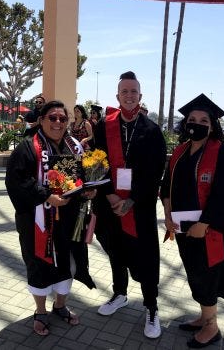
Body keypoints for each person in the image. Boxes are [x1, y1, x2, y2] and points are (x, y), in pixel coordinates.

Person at [160, 93, 224, 349]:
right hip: (184, 226)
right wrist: (167, 211)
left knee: (207, 276)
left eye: (203, 120)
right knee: (195, 273)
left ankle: (212, 327)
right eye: (192, 119)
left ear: (212, 125)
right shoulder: (181, 151)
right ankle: (203, 317)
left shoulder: (222, 155)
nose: (196, 124)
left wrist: (204, 223)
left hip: (209, 230)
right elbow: (167, 185)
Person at [5, 100, 96, 336]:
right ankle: (40, 311)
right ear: (42, 120)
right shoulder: (27, 147)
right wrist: (46, 196)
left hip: (68, 218)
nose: (58, 123)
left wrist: (88, 188)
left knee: (68, 262)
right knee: (39, 262)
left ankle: (61, 306)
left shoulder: (74, 147)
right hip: (37, 220)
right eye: (52, 118)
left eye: (63, 119)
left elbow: (81, 177)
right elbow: (17, 181)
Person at [93, 71, 167, 338]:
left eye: (133, 91)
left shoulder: (151, 130)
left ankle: (151, 307)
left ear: (140, 96)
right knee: (115, 251)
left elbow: (156, 170)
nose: (129, 96)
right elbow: (96, 160)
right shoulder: (104, 126)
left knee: (146, 257)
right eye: (124, 91)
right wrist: (112, 195)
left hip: (140, 207)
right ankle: (120, 294)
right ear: (117, 96)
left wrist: (132, 199)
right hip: (110, 204)